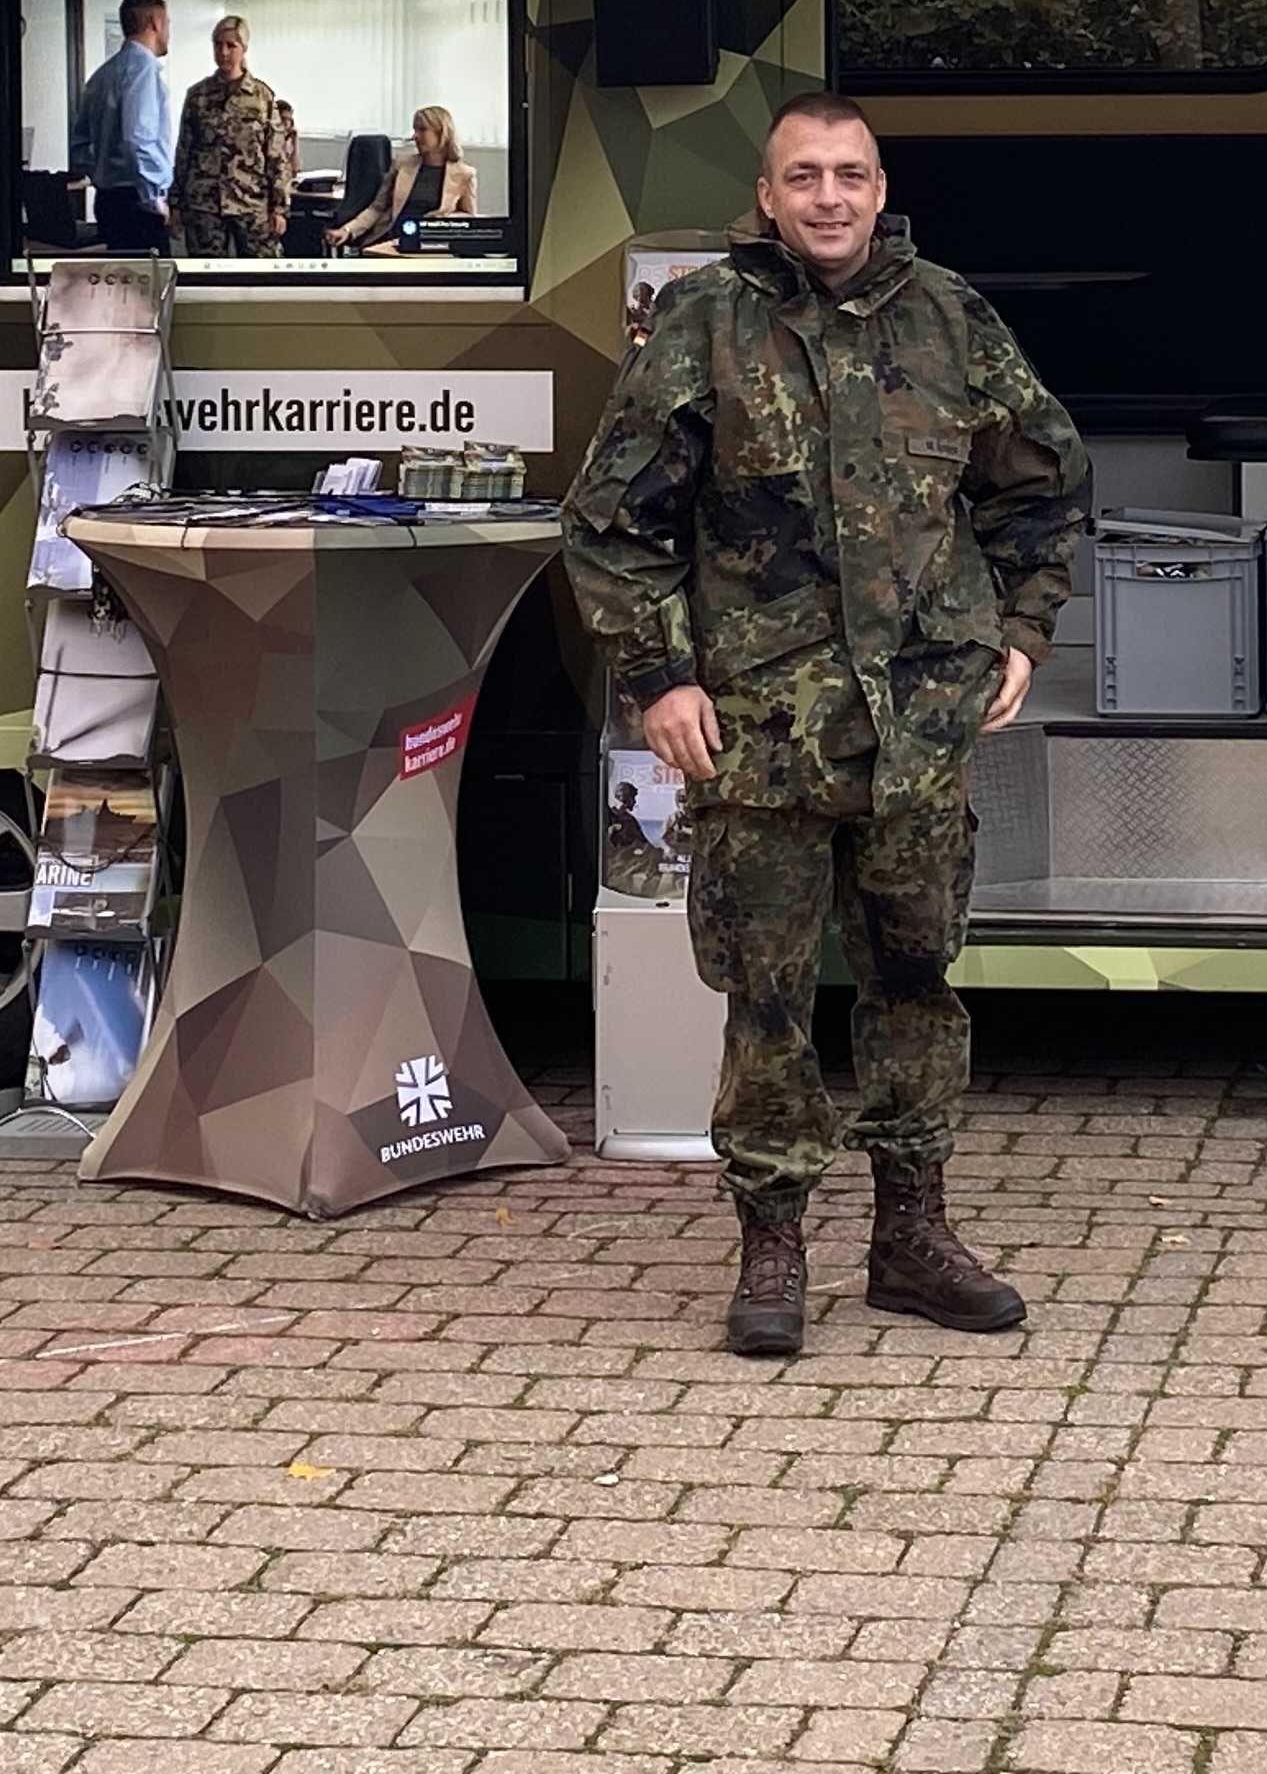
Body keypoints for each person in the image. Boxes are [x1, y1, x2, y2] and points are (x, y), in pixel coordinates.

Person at [562, 88, 1091, 1358]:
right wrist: (662, 680)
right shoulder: (703, 323)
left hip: (917, 725)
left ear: (880, 183)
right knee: (768, 996)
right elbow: (613, 526)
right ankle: (773, 1244)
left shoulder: (951, 317)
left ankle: (913, 1234)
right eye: (804, 177)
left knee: (916, 981)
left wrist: (1023, 632)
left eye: (850, 175)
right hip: (760, 730)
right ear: (767, 193)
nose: (830, 199)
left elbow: (1044, 480)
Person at [172, 14, 295, 259]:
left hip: (251, 201)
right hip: (204, 203)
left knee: (262, 277)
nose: (223, 52)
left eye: (231, 45)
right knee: (206, 276)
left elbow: (276, 155)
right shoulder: (198, 96)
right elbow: (184, 152)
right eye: (218, 45)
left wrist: (280, 207)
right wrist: (175, 202)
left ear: (244, 48)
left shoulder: (262, 97)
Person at [66, 0, 175, 254]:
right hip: (138, 203)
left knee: (121, 290)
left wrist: (103, 173)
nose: (168, 30)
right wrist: (153, 198)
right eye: (167, 23)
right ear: (155, 22)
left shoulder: (101, 75)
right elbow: (138, 139)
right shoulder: (144, 70)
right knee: (152, 290)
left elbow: (80, 145)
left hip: (108, 201)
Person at [328, 104, 478, 253]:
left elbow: (468, 217)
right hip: (392, 238)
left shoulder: (464, 174)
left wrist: (443, 219)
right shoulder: (401, 165)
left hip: (432, 244)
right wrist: (347, 230)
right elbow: (377, 208)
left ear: (441, 133)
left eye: (422, 130)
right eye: (415, 130)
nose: (415, 136)